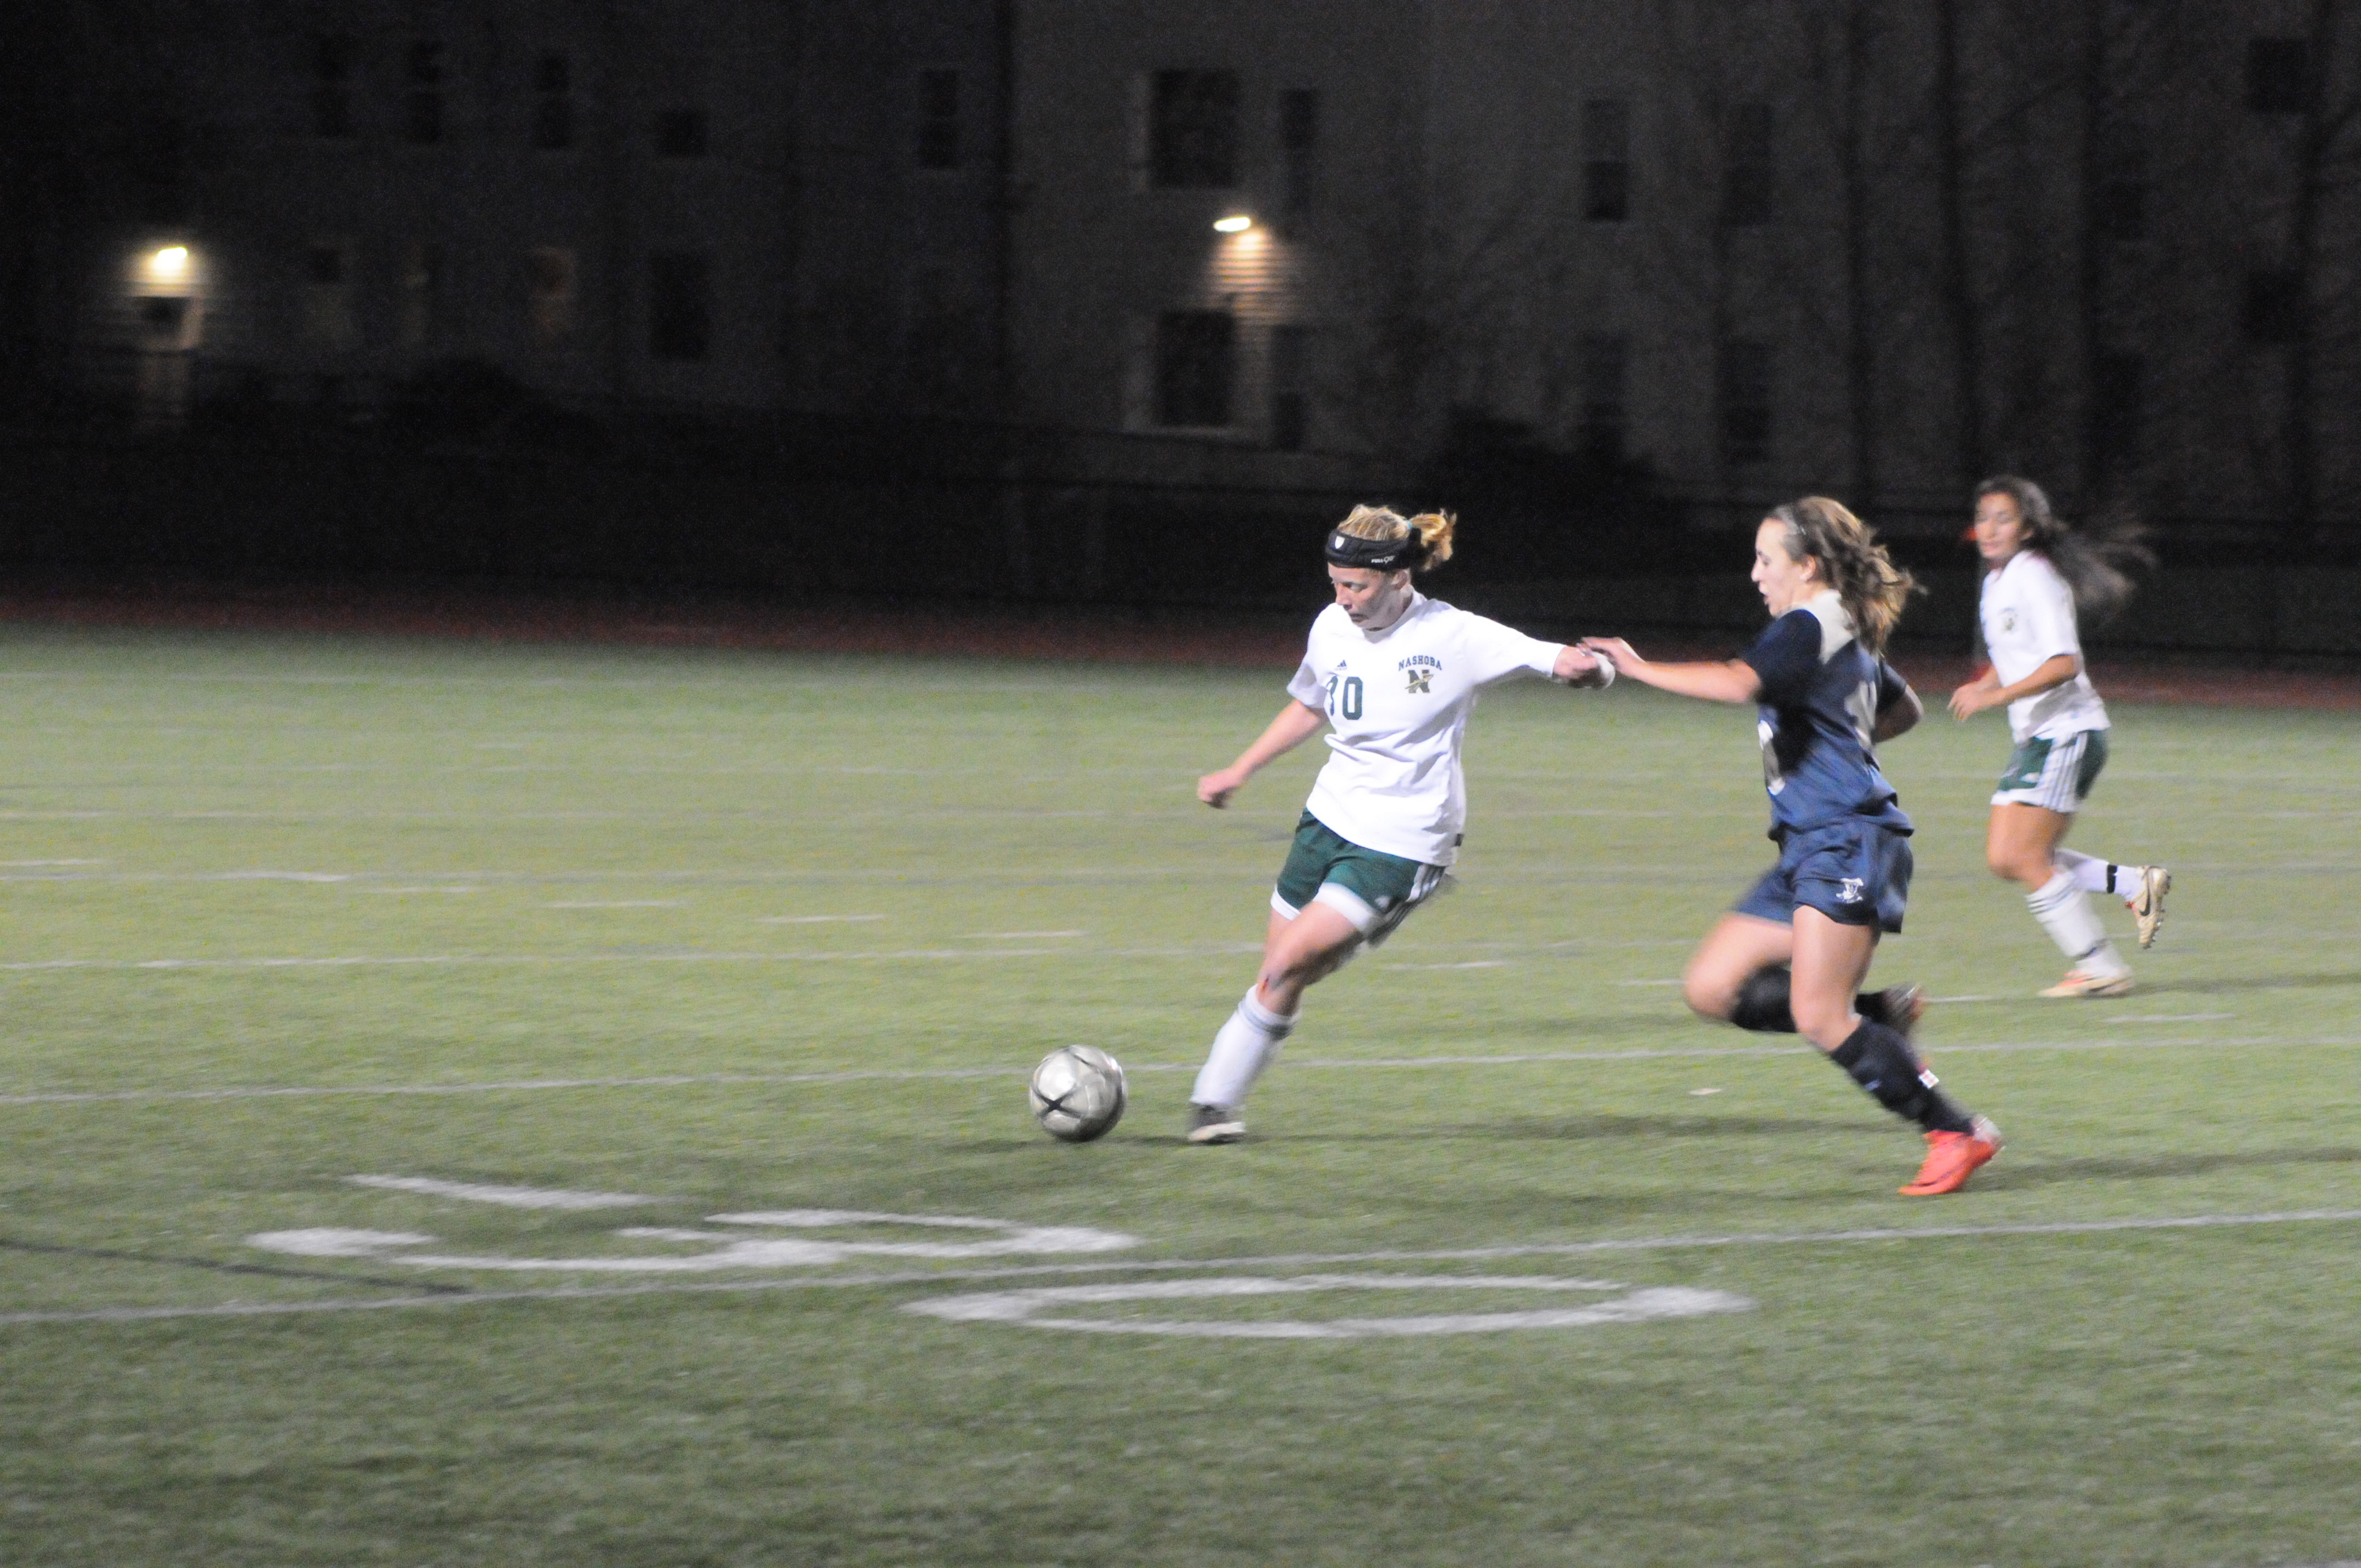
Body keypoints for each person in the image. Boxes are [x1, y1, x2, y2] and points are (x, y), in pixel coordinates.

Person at [1584, 497, 2001, 1197]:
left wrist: (1634, 665)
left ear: (1807, 566)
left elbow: (1736, 681)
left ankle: (1956, 1130)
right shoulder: (1838, 628)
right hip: (1811, 843)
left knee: (1818, 1014)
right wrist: (1839, 739)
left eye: (1765, 559)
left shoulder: (1809, 624)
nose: (1755, 574)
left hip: (1846, 840)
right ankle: (1880, 1016)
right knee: (1713, 987)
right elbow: (1904, 709)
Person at [1185, 504, 1612, 1144]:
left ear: (1398, 577)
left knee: (1290, 961)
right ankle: (1220, 1110)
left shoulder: (1454, 635)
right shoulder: (1331, 625)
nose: (1343, 599)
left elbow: (1557, 660)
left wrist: (1594, 669)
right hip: (1327, 817)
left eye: (1356, 586)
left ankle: (1210, 1100)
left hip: (1404, 838)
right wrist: (1239, 770)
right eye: (1336, 583)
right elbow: (1309, 705)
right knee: (1279, 970)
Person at [1946, 476, 2167, 998]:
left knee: (2026, 858)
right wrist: (1987, 684)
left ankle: (2101, 968)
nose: (1990, 528)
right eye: (1983, 518)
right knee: (2006, 858)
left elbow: (2064, 663)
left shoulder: (2035, 577)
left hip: (2069, 733)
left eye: (2003, 518)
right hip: (2042, 737)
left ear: (2027, 528)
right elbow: (2015, 653)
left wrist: (1996, 697)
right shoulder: (1998, 581)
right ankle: (2135, 884)